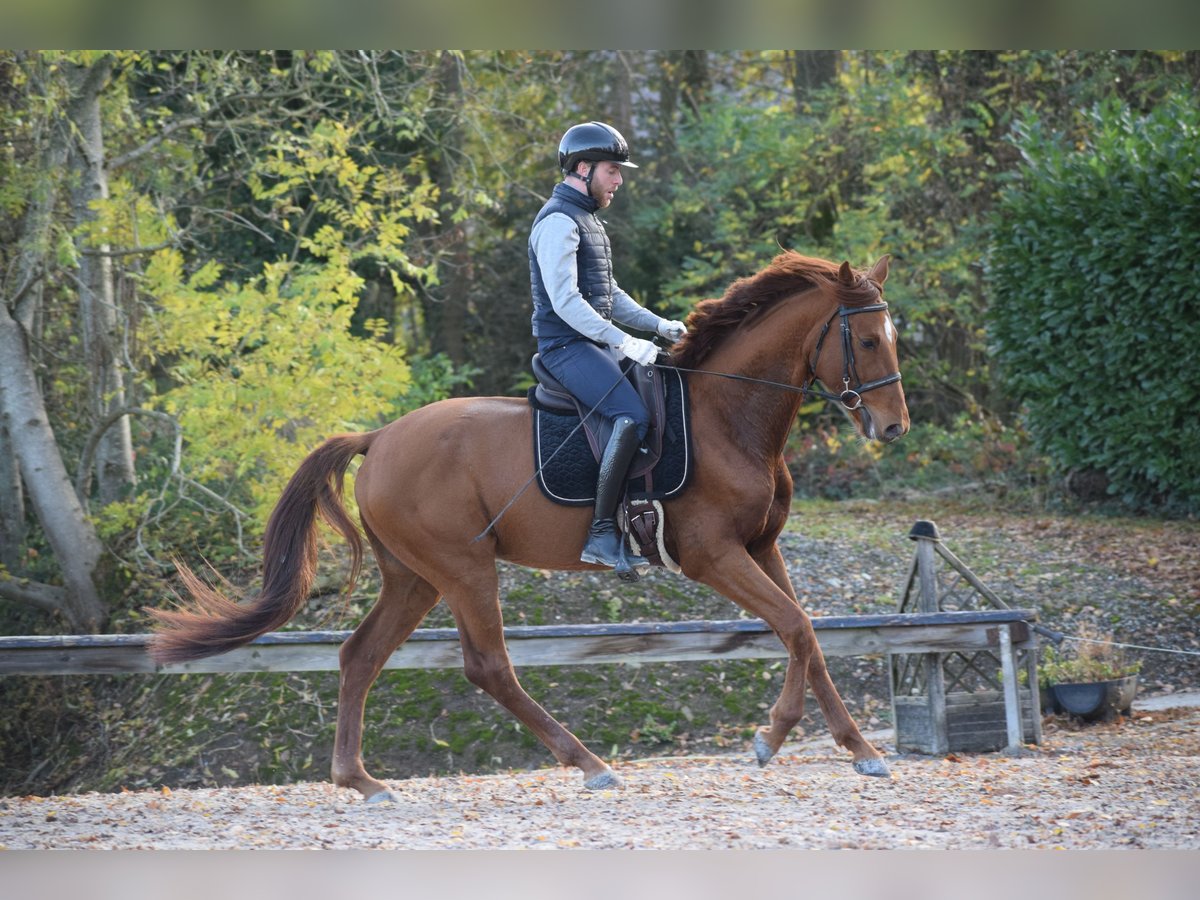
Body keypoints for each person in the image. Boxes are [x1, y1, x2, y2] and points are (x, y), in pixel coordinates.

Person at [529, 120, 687, 575]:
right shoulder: (558, 222)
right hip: (566, 347)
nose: (619, 180)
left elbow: (609, 295)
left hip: (591, 342)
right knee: (631, 415)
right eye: (612, 170)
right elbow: (566, 303)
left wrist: (659, 326)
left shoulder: (589, 222)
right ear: (583, 169)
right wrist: (624, 341)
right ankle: (600, 533)